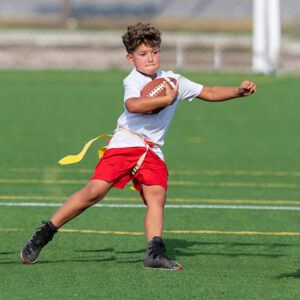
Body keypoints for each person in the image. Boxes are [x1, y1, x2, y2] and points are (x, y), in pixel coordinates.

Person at [20, 22, 257, 270]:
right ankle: (45, 233)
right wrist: (166, 99)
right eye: (142, 54)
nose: (150, 58)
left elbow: (207, 91)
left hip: (152, 149)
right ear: (130, 58)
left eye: (154, 52)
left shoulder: (172, 80)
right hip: (127, 142)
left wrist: (238, 91)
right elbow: (134, 105)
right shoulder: (132, 80)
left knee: (157, 195)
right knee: (94, 192)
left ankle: (154, 251)